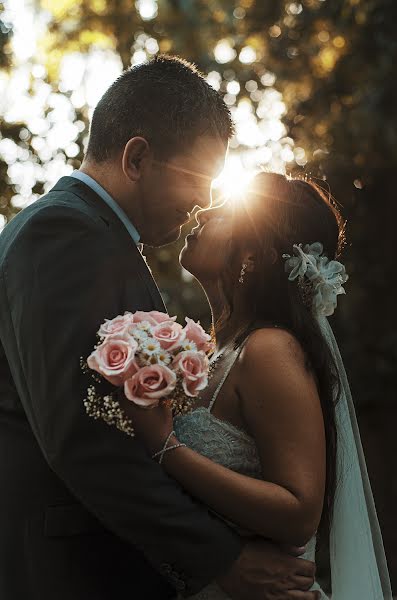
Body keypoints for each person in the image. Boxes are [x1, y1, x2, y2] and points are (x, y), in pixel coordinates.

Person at [0, 56, 318, 599]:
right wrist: (224, 559)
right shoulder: (69, 233)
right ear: (138, 157)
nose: (203, 203)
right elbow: (84, 440)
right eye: (198, 180)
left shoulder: (89, 232)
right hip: (76, 571)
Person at [121, 172, 393, 599]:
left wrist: (164, 447)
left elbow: (300, 512)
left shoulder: (269, 349)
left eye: (224, 211)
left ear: (253, 255)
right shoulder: (213, 353)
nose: (203, 210)